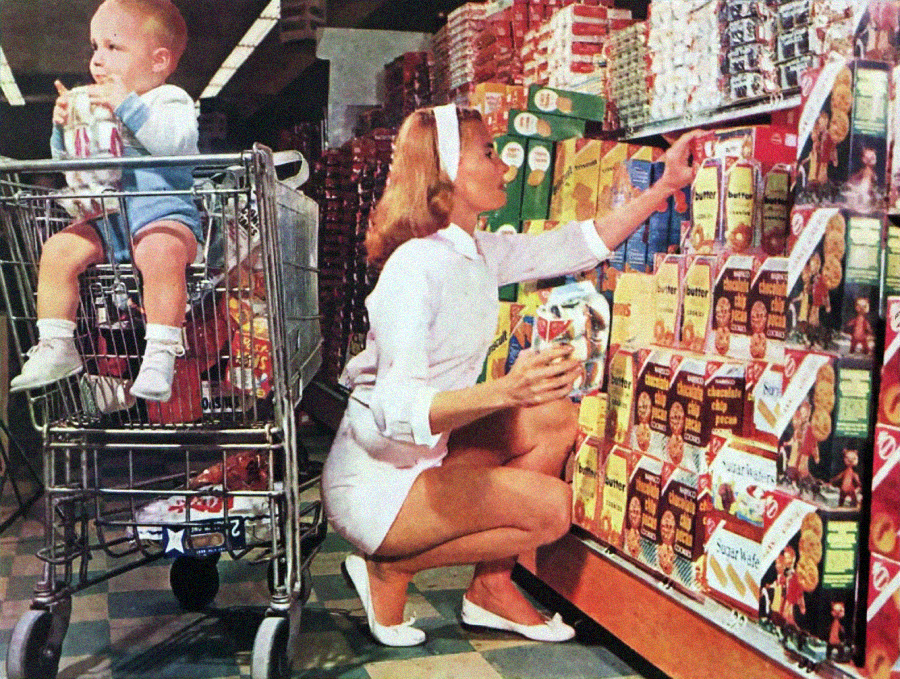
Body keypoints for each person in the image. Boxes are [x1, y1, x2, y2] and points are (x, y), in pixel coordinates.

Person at [321, 103, 701, 647]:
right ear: (447, 170)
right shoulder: (414, 266)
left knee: (552, 418)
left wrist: (662, 187)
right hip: (377, 485)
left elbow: (575, 245)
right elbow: (394, 409)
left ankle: (490, 589)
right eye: (489, 153)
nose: (505, 167)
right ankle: (390, 567)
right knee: (553, 512)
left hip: (423, 457)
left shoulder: (474, 251)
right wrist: (505, 390)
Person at [10, 0, 201, 402]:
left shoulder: (170, 100)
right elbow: (74, 167)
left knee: (159, 254)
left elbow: (175, 145)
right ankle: (57, 344)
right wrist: (64, 129)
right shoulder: (99, 105)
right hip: (109, 218)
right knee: (58, 249)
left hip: (164, 216)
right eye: (95, 47)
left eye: (114, 48)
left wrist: (126, 107)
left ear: (158, 61)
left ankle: (161, 353)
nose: (98, 60)